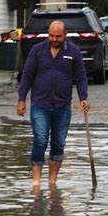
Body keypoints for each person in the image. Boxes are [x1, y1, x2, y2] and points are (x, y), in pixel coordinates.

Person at [17, 20, 90, 186]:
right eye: (51, 35)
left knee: (58, 143)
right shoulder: (37, 51)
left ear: (65, 36)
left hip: (62, 106)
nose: (54, 39)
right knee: (40, 140)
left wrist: (83, 97)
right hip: (40, 104)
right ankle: (36, 182)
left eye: (58, 36)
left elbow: (80, 77)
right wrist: (21, 99)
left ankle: (52, 183)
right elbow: (27, 75)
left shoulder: (74, 52)